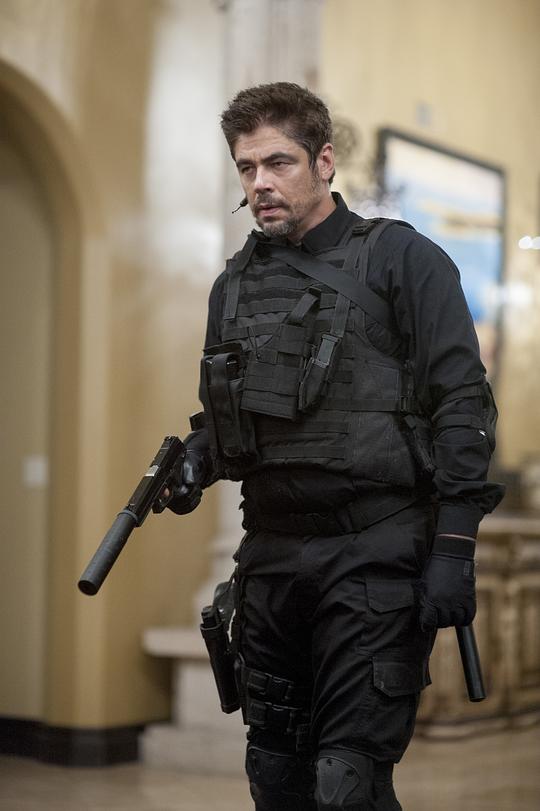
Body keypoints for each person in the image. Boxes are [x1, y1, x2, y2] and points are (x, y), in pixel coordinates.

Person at [166, 83, 504, 810]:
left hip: (373, 557)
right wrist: (198, 458)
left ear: (324, 162)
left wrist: (454, 546)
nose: (260, 182)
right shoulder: (233, 285)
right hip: (271, 561)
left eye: (278, 162)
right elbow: (225, 420)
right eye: (246, 167)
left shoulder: (402, 260)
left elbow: (463, 405)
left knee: (345, 785)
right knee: (277, 778)